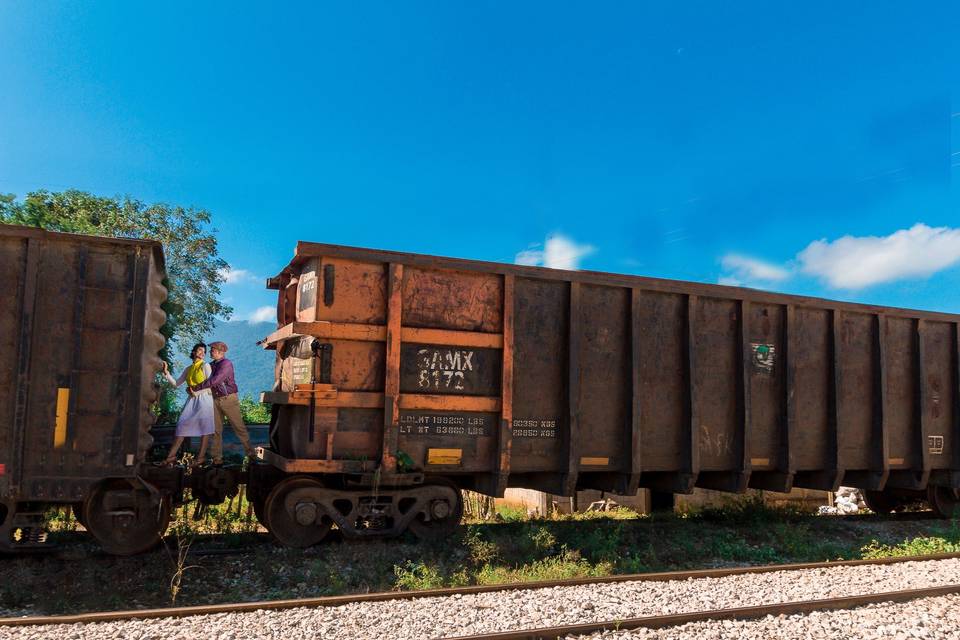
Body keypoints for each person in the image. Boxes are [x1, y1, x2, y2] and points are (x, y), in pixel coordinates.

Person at [189, 341, 255, 464]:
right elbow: (207, 380)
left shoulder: (226, 364)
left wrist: (197, 388)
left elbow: (215, 380)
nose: (210, 352)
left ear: (220, 352)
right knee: (216, 430)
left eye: (212, 350)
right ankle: (217, 459)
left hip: (229, 399)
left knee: (238, 427)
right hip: (215, 399)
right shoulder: (211, 365)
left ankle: (251, 455)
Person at [161, 342, 215, 466]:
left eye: (204, 351)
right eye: (200, 350)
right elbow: (176, 383)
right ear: (194, 352)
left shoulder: (205, 366)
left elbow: (211, 385)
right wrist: (166, 373)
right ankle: (171, 457)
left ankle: (200, 458)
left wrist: (196, 392)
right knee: (182, 426)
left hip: (205, 400)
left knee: (205, 429)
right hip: (192, 401)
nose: (202, 353)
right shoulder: (188, 369)